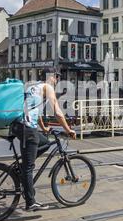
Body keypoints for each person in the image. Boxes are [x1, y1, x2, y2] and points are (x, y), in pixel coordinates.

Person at [10, 68, 76, 212]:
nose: (57, 80)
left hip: (17, 126)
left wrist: (44, 128)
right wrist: (68, 129)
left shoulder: (33, 87)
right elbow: (58, 112)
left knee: (45, 142)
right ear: (51, 77)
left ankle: (23, 166)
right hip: (27, 128)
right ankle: (30, 203)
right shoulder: (47, 87)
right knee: (28, 168)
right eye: (57, 76)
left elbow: (34, 110)